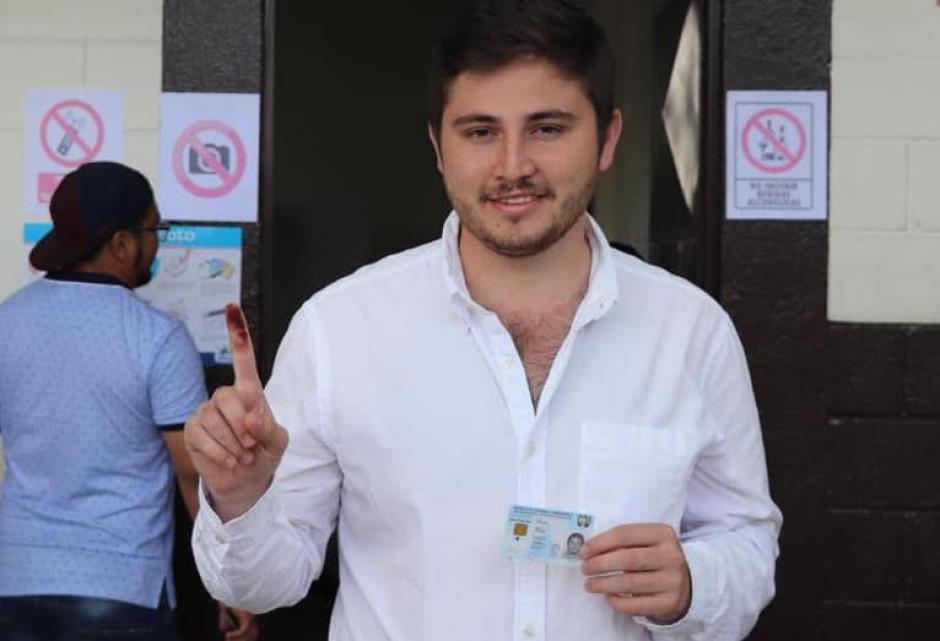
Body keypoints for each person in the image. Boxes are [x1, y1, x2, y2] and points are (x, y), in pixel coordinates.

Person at [187, 1, 782, 639]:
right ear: (437, 147)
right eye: (479, 131)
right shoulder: (341, 328)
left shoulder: (691, 331)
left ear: (608, 138)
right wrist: (241, 496)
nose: (512, 166)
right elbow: (264, 585)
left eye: (547, 128)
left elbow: (746, 541)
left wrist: (694, 582)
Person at [0, 162, 257, 641]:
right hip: (122, 587)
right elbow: (194, 473)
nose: (157, 243)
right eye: (153, 229)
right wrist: (227, 585)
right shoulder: (156, 339)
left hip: (15, 580)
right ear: (120, 243)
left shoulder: (6, 321)